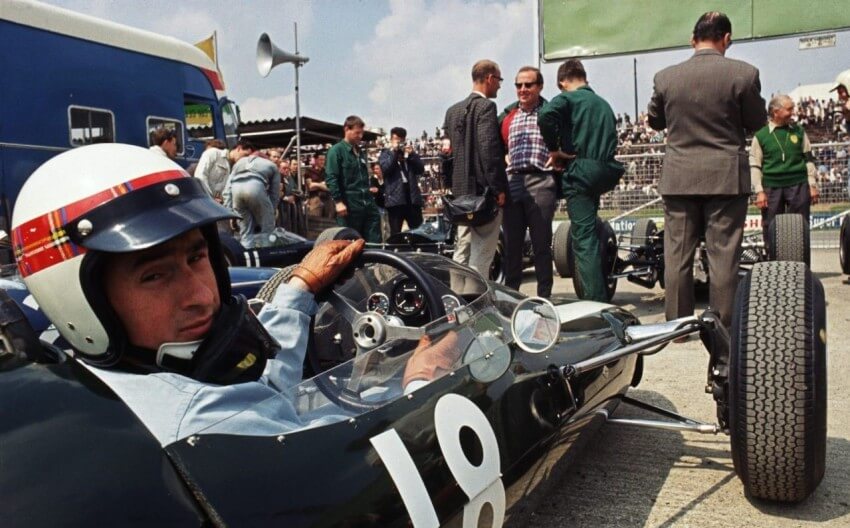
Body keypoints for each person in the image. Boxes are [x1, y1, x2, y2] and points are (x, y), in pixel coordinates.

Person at [10, 143, 459, 446]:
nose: (201, 295)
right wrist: (419, 384)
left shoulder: (112, 382)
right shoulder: (204, 427)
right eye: (154, 276)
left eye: (196, 256)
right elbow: (355, 456)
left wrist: (298, 288)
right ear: (82, 300)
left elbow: (258, 389)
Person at [647, 11, 766, 327]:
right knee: (724, 256)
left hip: (680, 176)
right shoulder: (744, 74)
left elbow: (655, 120)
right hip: (725, 177)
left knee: (677, 256)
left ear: (693, 39)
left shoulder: (665, 77)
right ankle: (721, 325)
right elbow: (757, 121)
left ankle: (678, 324)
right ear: (726, 39)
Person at [538, 59, 624, 302]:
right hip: (606, 170)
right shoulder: (604, 104)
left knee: (583, 239)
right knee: (591, 230)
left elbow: (545, 115)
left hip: (581, 171)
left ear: (563, 82)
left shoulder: (568, 98)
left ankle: (595, 303)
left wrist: (554, 149)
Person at [442, 60, 508, 285]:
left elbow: (447, 155)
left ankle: (455, 297)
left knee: (462, 248)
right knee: (482, 253)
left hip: (461, 195)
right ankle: (474, 301)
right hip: (482, 194)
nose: (499, 85)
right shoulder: (486, 107)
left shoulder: (452, 111)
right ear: (489, 78)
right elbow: (489, 150)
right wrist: (498, 188)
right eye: (499, 80)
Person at [498, 66, 556, 298]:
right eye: (519, 85)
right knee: (512, 246)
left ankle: (544, 298)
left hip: (541, 180)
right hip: (513, 181)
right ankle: (511, 297)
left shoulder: (550, 112)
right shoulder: (508, 117)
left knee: (541, 244)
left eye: (528, 85)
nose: (523, 89)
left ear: (539, 86)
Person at [750, 94, 819, 247]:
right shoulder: (761, 136)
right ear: (776, 112)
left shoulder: (799, 131)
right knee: (770, 225)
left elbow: (808, 159)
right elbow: (755, 166)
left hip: (798, 184)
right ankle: (772, 260)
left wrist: (812, 185)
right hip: (771, 186)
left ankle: (801, 262)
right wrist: (759, 191)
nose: (793, 112)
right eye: (789, 109)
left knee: (801, 224)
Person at [325, 116, 382, 243]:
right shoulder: (336, 151)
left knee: (374, 239)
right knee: (350, 242)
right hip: (349, 204)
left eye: (362, 133)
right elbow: (331, 178)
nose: (360, 136)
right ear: (347, 129)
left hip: (366, 202)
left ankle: (375, 261)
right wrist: (338, 202)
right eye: (357, 133)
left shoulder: (359, 151)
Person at [222, 141, 281, 247]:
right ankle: (266, 259)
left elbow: (227, 190)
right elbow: (274, 194)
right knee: (267, 230)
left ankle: (248, 259)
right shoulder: (272, 166)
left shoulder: (238, 163)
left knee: (245, 233)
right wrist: (270, 212)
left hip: (236, 190)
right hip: (256, 187)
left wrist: (230, 213)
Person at [378, 127, 425, 234]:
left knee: (418, 232)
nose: (400, 143)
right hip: (395, 200)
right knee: (395, 234)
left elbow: (420, 169)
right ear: (391, 140)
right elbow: (386, 169)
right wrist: (394, 152)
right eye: (397, 140)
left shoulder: (408, 155)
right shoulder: (385, 154)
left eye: (402, 140)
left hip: (412, 199)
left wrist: (412, 155)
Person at [305, 153, 335, 220]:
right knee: (315, 221)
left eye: (324, 160)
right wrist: (322, 184)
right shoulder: (309, 171)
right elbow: (310, 187)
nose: (323, 162)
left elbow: (330, 187)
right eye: (320, 160)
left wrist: (316, 184)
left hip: (327, 199)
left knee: (329, 221)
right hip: (315, 199)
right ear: (315, 160)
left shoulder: (327, 172)